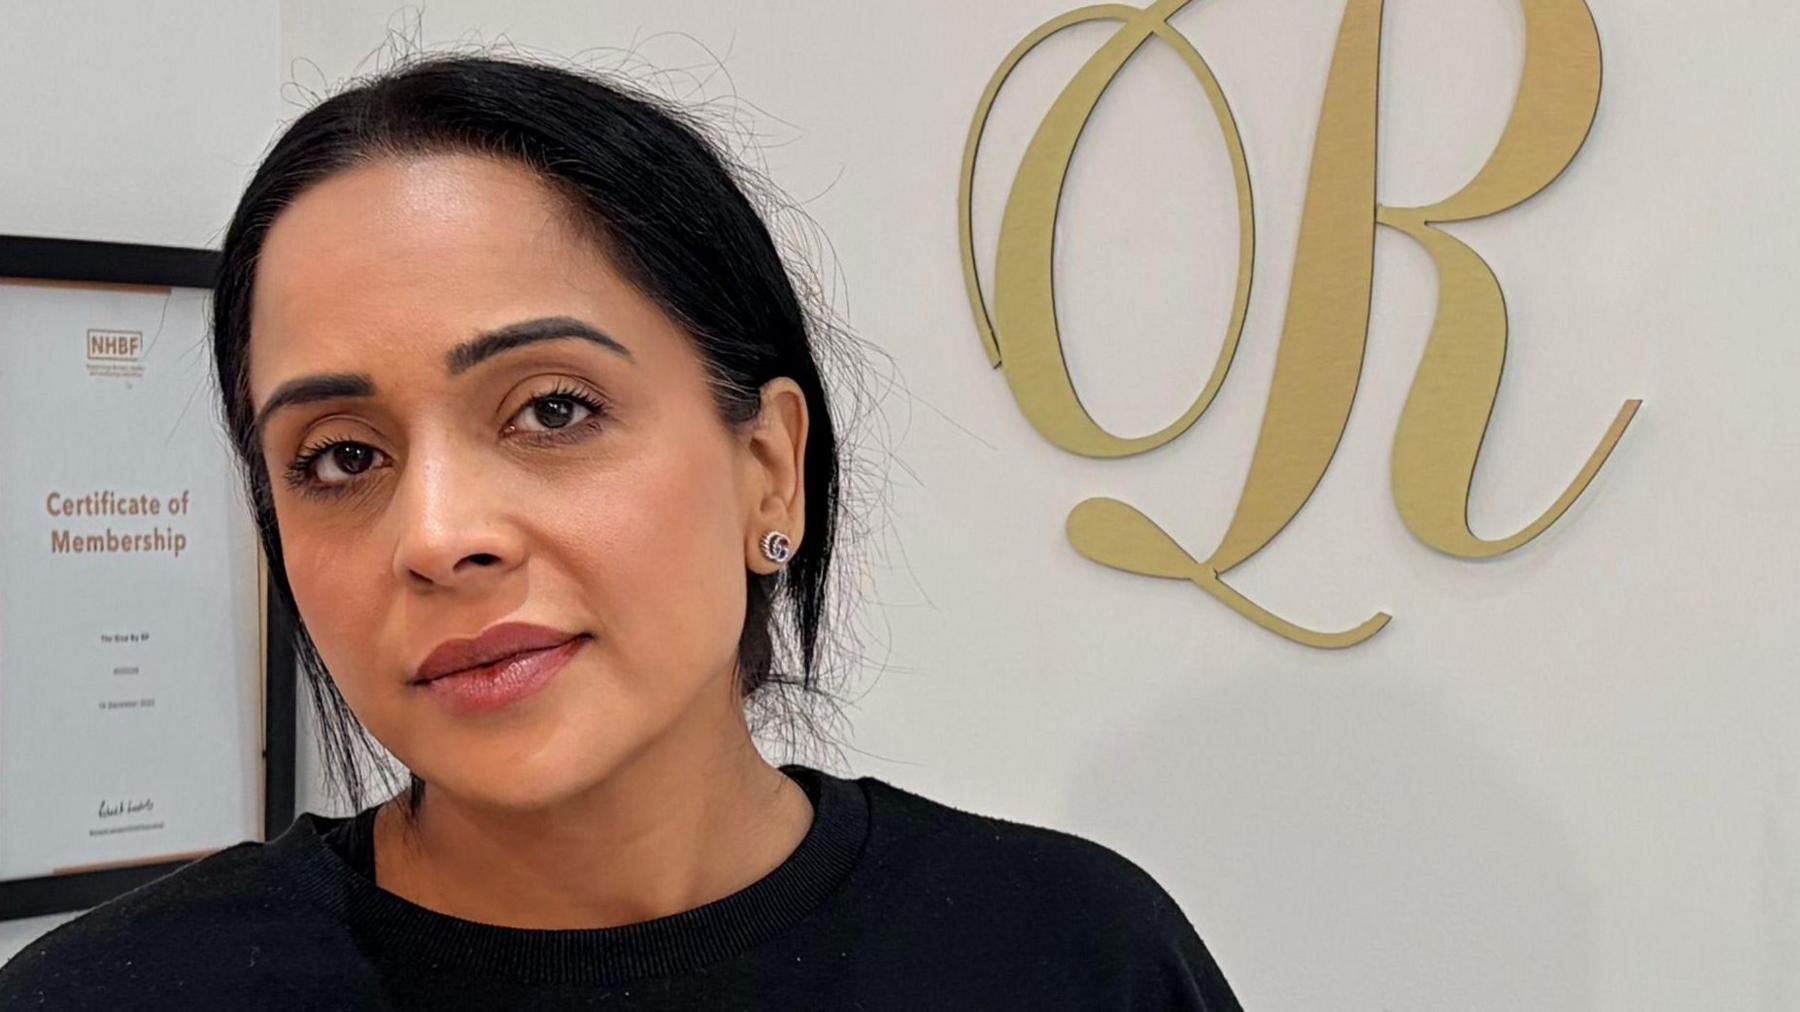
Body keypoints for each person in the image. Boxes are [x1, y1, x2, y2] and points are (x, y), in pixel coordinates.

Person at [0, 52, 1240, 1010]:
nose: (436, 535)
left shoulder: (1066, 956)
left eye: (552, 408)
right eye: (341, 458)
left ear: (770, 471)